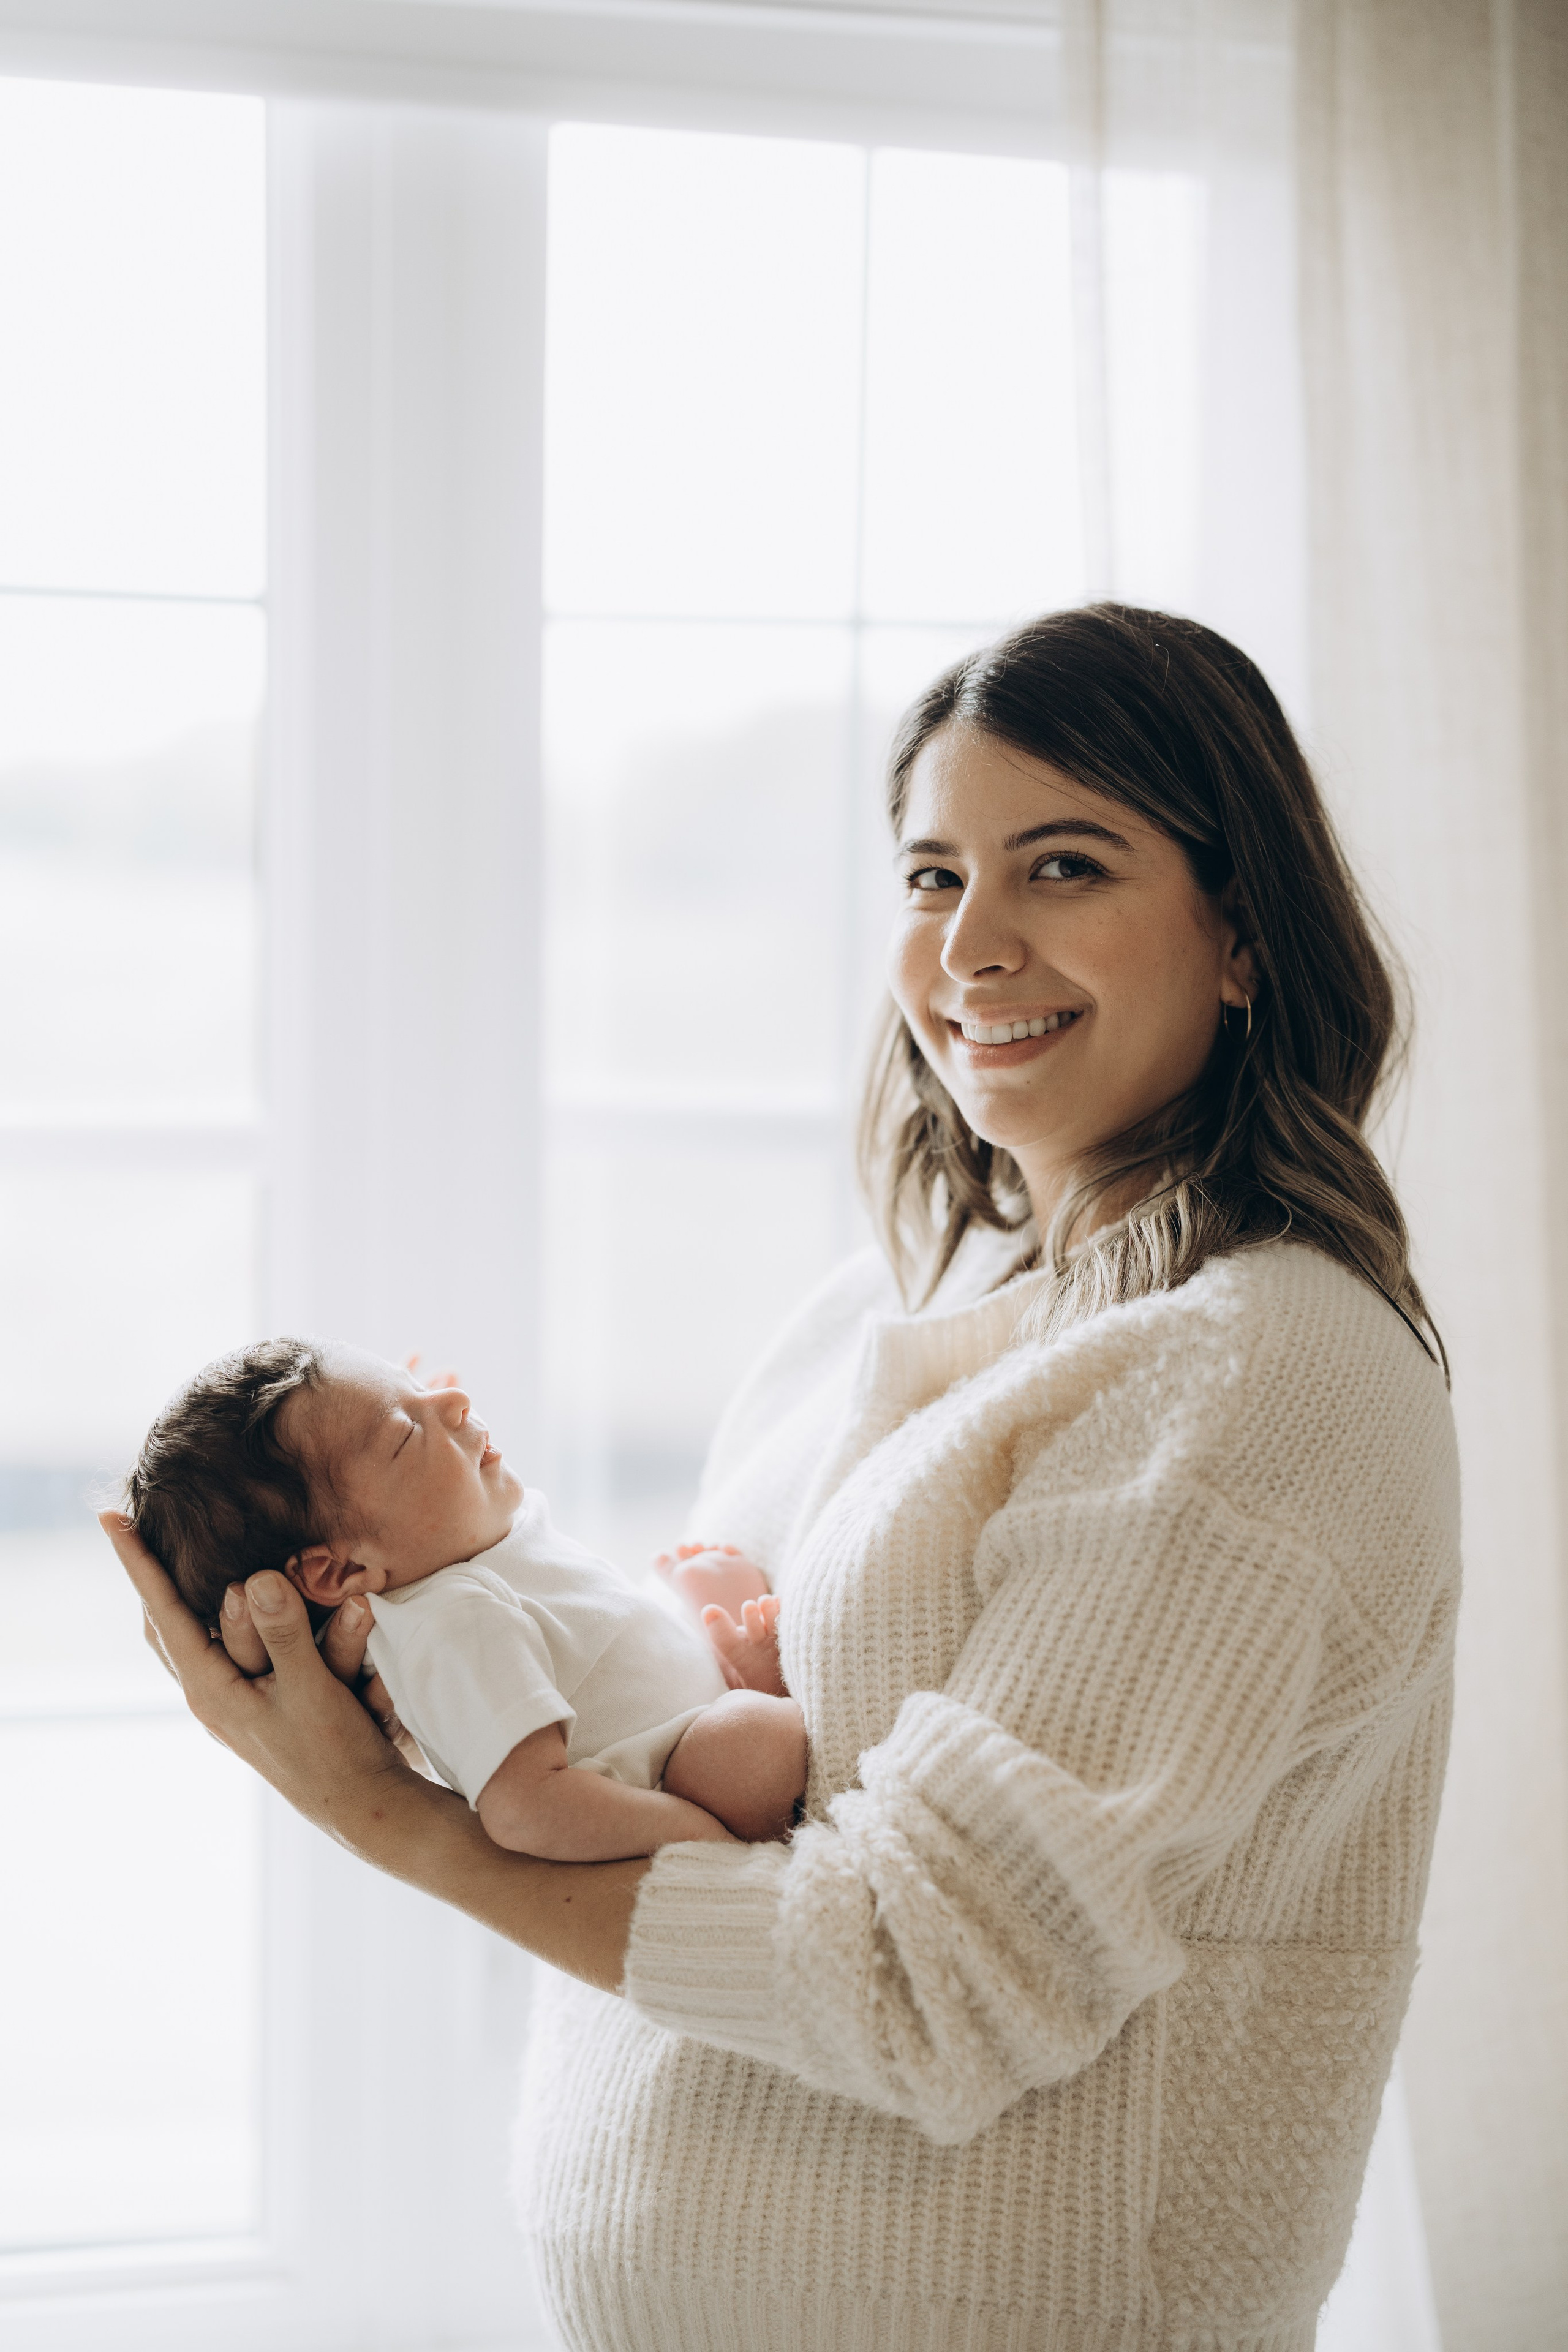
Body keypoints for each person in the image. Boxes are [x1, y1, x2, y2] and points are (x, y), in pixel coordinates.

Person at [105, 605, 1460, 2352]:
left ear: (1243, 938)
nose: (971, 945)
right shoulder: (883, 1311)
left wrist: (391, 1824)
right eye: (928, 875)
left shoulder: (1263, 1370)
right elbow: (677, 1757)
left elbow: (923, 1982)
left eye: (1062, 865)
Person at [123, 1337, 805, 1850]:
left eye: (422, 1385)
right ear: (338, 1573)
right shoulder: (453, 1620)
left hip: (665, 1719)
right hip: (668, 1774)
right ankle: (749, 1702)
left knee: (685, 1607)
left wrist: (416, 1427)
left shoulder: (457, 1557)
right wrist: (692, 1839)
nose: (455, 1403)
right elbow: (523, 1805)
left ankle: (722, 1668)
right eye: (404, 1432)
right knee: (759, 1744)